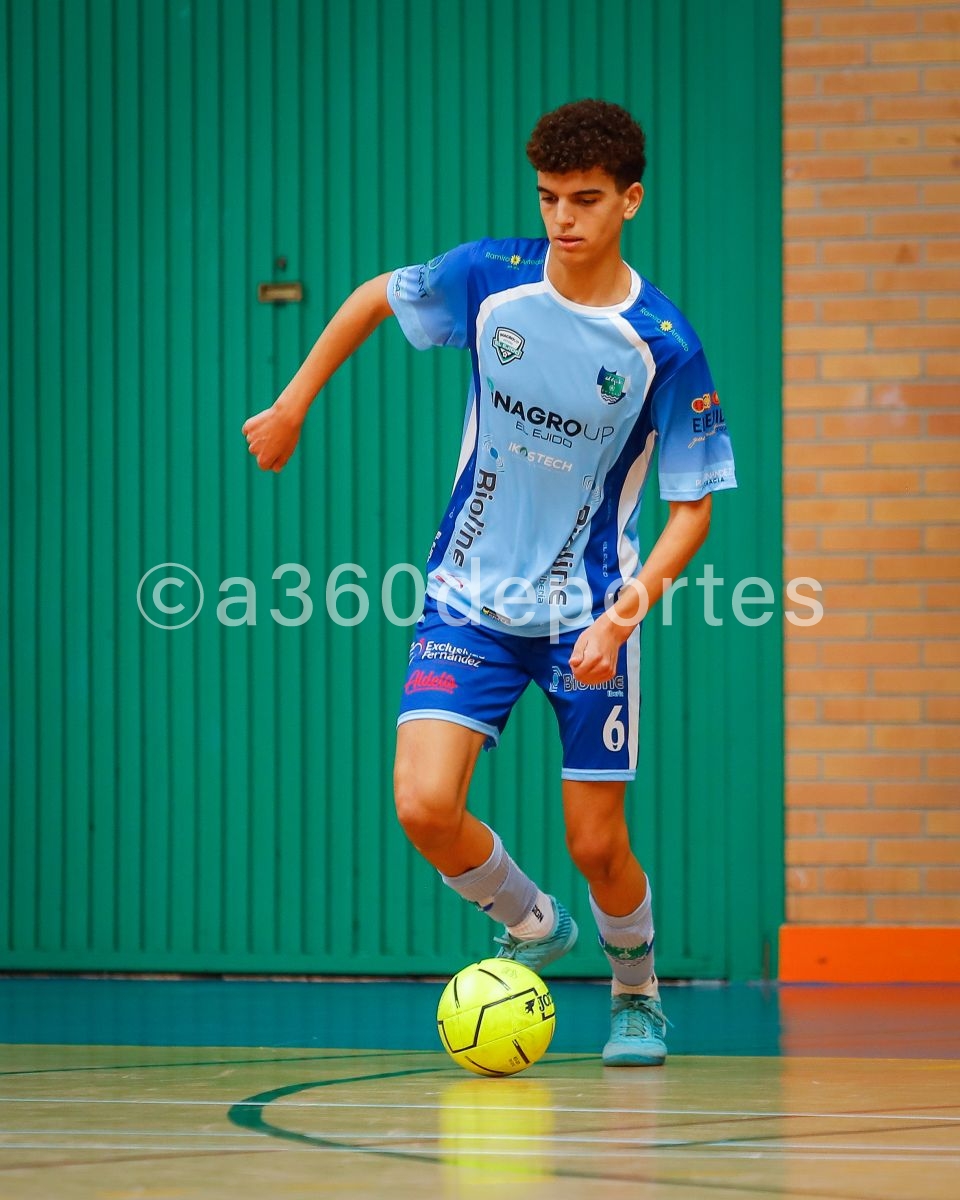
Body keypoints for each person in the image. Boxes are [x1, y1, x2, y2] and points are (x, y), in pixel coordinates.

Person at [242, 99, 736, 1066]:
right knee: (423, 805)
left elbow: (693, 511)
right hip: (467, 598)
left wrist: (624, 619)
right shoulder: (491, 280)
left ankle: (635, 990)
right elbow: (373, 298)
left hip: (589, 615)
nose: (564, 218)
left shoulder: (663, 344)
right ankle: (533, 919)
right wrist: (293, 403)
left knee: (598, 843)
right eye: (550, 197)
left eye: (587, 200)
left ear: (631, 200)